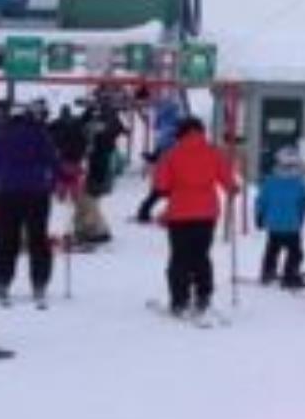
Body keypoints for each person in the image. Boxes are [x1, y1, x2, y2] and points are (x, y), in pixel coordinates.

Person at [152, 117, 238, 319]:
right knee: (201, 255)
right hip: (207, 212)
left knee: (179, 257)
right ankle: (203, 295)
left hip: (180, 213)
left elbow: (161, 187)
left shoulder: (171, 155)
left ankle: (179, 299)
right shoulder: (213, 152)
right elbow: (228, 180)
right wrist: (232, 188)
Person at [0, 104, 61, 307]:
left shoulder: (3, 134)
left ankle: (2, 281)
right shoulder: (40, 133)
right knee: (38, 238)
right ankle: (39, 282)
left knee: (6, 238)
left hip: (8, 191)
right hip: (37, 192)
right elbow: (53, 161)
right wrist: (53, 183)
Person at [254, 145, 305, 288]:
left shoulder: (270, 181)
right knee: (295, 252)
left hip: (273, 223)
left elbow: (261, 200)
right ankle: (290, 276)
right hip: (292, 224)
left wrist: (259, 216)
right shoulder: (299, 182)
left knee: (272, 249)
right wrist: (302, 216)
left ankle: (268, 272)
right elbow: (303, 202)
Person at [74, 93, 126, 246]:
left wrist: (100, 129)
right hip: (94, 160)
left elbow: (115, 130)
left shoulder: (109, 116)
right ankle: (91, 228)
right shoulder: (95, 115)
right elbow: (80, 127)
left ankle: (94, 229)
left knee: (90, 197)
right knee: (88, 197)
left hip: (100, 161)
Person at [136, 93, 183, 223]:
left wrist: (153, 156)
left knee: (159, 192)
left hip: (167, 166)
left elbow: (162, 147)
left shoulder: (168, 127)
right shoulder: (174, 124)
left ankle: (145, 213)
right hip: (171, 166)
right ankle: (170, 213)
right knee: (170, 192)